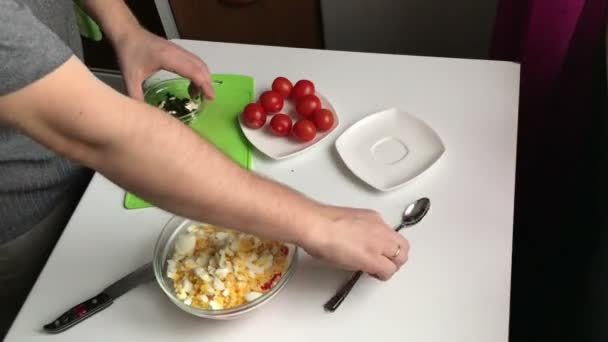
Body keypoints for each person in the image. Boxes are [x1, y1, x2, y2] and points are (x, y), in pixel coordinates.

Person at [0, 0, 409, 336]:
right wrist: (320, 224)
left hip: (81, 144)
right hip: (21, 209)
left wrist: (124, 27)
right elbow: (107, 137)